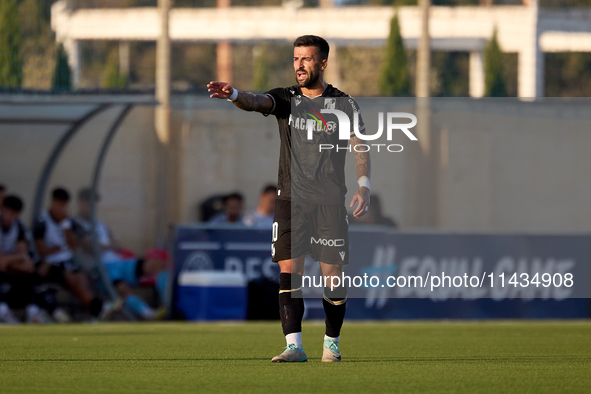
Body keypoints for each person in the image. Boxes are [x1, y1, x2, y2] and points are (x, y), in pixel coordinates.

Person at [208, 35, 371, 363]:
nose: (299, 65)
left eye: (307, 59)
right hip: (290, 199)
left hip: (328, 201)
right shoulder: (285, 98)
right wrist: (234, 95)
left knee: (333, 276)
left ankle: (332, 342)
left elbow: (360, 145)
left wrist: (364, 184)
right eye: (296, 58)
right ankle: (294, 345)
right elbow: (257, 102)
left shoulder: (343, 103)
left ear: (322, 63)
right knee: (289, 272)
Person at [74, 187, 168, 320]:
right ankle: (147, 313)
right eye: (89, 202)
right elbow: (89, 247)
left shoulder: (101, 224)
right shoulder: (76, 224)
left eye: (94, 203)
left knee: (156, 264)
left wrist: (105, 246)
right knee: (121, 288)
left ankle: (168, 305)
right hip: (101, 269)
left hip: (118, 262)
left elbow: (117, 245)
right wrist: (107, 246)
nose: (92, 207)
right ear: (81, 203)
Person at [34, 187, 112, 320]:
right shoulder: (42, 220)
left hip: (67, 260)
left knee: (82, 279)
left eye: (63, 205)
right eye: (58, 204)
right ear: (53, 202)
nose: (61, 208)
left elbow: (72, 246)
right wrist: (56, 250)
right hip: (50, 263)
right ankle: (98, 307)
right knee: (70, 278)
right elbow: (42, 251)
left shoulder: (68, 221)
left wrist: (65, 226)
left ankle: (94, 312)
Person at [0, 195, 48, 323]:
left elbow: (22, 255)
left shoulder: (18, 226)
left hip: (11, 267)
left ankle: (32, 311)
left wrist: (8, 260)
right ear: (3, 210)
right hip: (6, 268)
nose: (12, 217)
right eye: (10, 213)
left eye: (15, 214)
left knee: (31, 272)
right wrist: (12, 259)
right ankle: (2, 311)